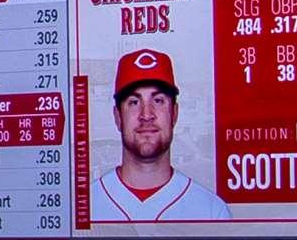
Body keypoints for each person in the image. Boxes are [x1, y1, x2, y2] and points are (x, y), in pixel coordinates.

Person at [93, 48, 224, 222]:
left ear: (174, 114)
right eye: (134, 102)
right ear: (118, 117)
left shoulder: (212, 212)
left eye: (158, 100)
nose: (146, 114)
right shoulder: (80, 209)